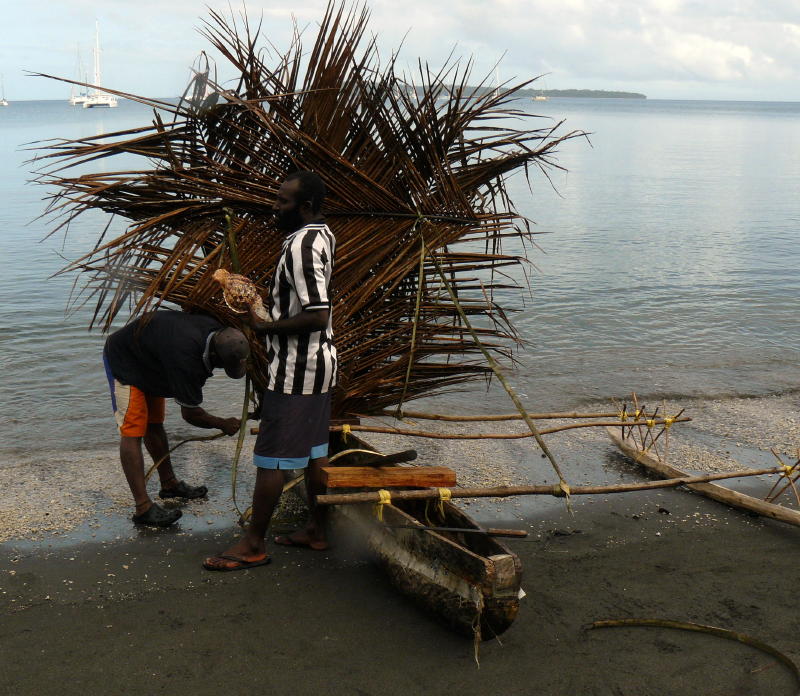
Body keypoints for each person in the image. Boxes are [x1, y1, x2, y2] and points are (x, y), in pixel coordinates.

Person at [204, 170, 336, 571]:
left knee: (272, 459)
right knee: (315, 454)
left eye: (282, 201)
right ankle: (316, 529)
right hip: (321, 365)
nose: (275, 208)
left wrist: (263, 326)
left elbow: (316, 314)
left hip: (297, 368)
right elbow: (307, 305)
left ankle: (253, 544)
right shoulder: (322, 234)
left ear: (306, 207)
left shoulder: (299, 246)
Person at [103, 310, 250, 527]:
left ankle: (169, 484)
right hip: (126, 360)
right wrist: (222, 423)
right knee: (133, 431)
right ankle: (143, 508)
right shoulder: (187, 359)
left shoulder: (216, 327)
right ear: (215, 357)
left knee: (154, 424)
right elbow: (190, 414)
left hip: (152, 358)